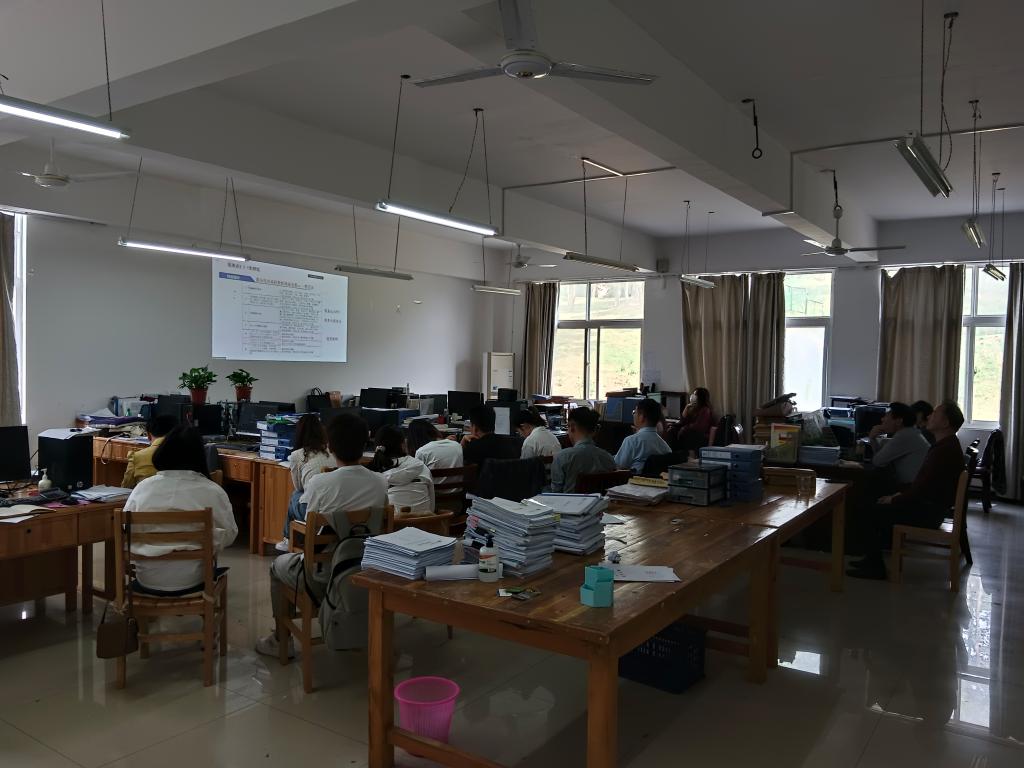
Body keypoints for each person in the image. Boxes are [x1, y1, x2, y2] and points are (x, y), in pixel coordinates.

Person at [257, 413, 387, 658]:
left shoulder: (321, 483)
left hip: (320, 575)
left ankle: (280, 640)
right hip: (366, 569)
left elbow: (310, 529)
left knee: (277, 567)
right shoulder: (380, 482)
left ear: (330, 446)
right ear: (366, 443)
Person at [849, 400, 967, 580]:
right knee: (875, 502)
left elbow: (922, 489)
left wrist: (895, 499)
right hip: (932, 508)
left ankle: (875, 566)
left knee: (866, 509)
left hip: (928, 513)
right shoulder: (946, 445)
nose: (929, 416)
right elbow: (923, 485)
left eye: (935, 414)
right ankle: (871, 560)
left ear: (945, 423)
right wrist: (899, 495)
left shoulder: (943, 450)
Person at [122, 426, 238, 594]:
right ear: (199, 456)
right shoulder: (212, 491)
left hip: (147, 578)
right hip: (194, 578)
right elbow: (230, 534)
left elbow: (126, 529)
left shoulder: (142, 488)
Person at [276, 414, 336, 553]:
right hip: (334, 507)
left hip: (313, 511)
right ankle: (290, 539)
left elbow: (299, 486)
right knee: (299, 496)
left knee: (295, 495)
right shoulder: (332, 452)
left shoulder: (297, 455)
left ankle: (288, 538)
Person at [367, 425, 434, 515]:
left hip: (391, 522)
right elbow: (432, 505)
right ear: (403, 445)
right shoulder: (422, 467)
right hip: (426, 521)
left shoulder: (373, 473)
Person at [550, 407, 616, 493]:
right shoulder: (608, 458)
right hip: (599, 501)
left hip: (569, 501)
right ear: (594, 431)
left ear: (572, 427)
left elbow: (556, 492)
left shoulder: (562, 457)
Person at [866, 401, 931, 488]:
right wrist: (873, 439)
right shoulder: (911, 432)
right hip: (917, 486)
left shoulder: (904, 435)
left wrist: (872, 439)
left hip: (912, 489)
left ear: (899, 421)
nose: (882, 419)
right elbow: (881, 460)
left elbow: (877, 461)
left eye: (886, 416)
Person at [615, 398, 671, 474]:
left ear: (642, 417)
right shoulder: (665, 447)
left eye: (634, 412)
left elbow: (617, 466)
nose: (633, 415)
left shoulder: (631, 441)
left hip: (633, 480)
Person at [121, 414, 178, 488]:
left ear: (148, 435)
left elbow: (126, 486)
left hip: (146, 494)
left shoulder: (137, 456)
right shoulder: (186, 454)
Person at [669, 387, 714, 454]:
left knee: (686, 433)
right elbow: (683, 421)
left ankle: (687, 455)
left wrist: (684, 428)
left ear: (700, 398)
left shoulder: (705, 410)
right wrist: (686, 408)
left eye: (695, 394)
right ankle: (672, 453)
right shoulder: (693, 408)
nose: (693, 396)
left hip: (700, 436)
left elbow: (699, 427)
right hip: (688, 432)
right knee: (672, 430)